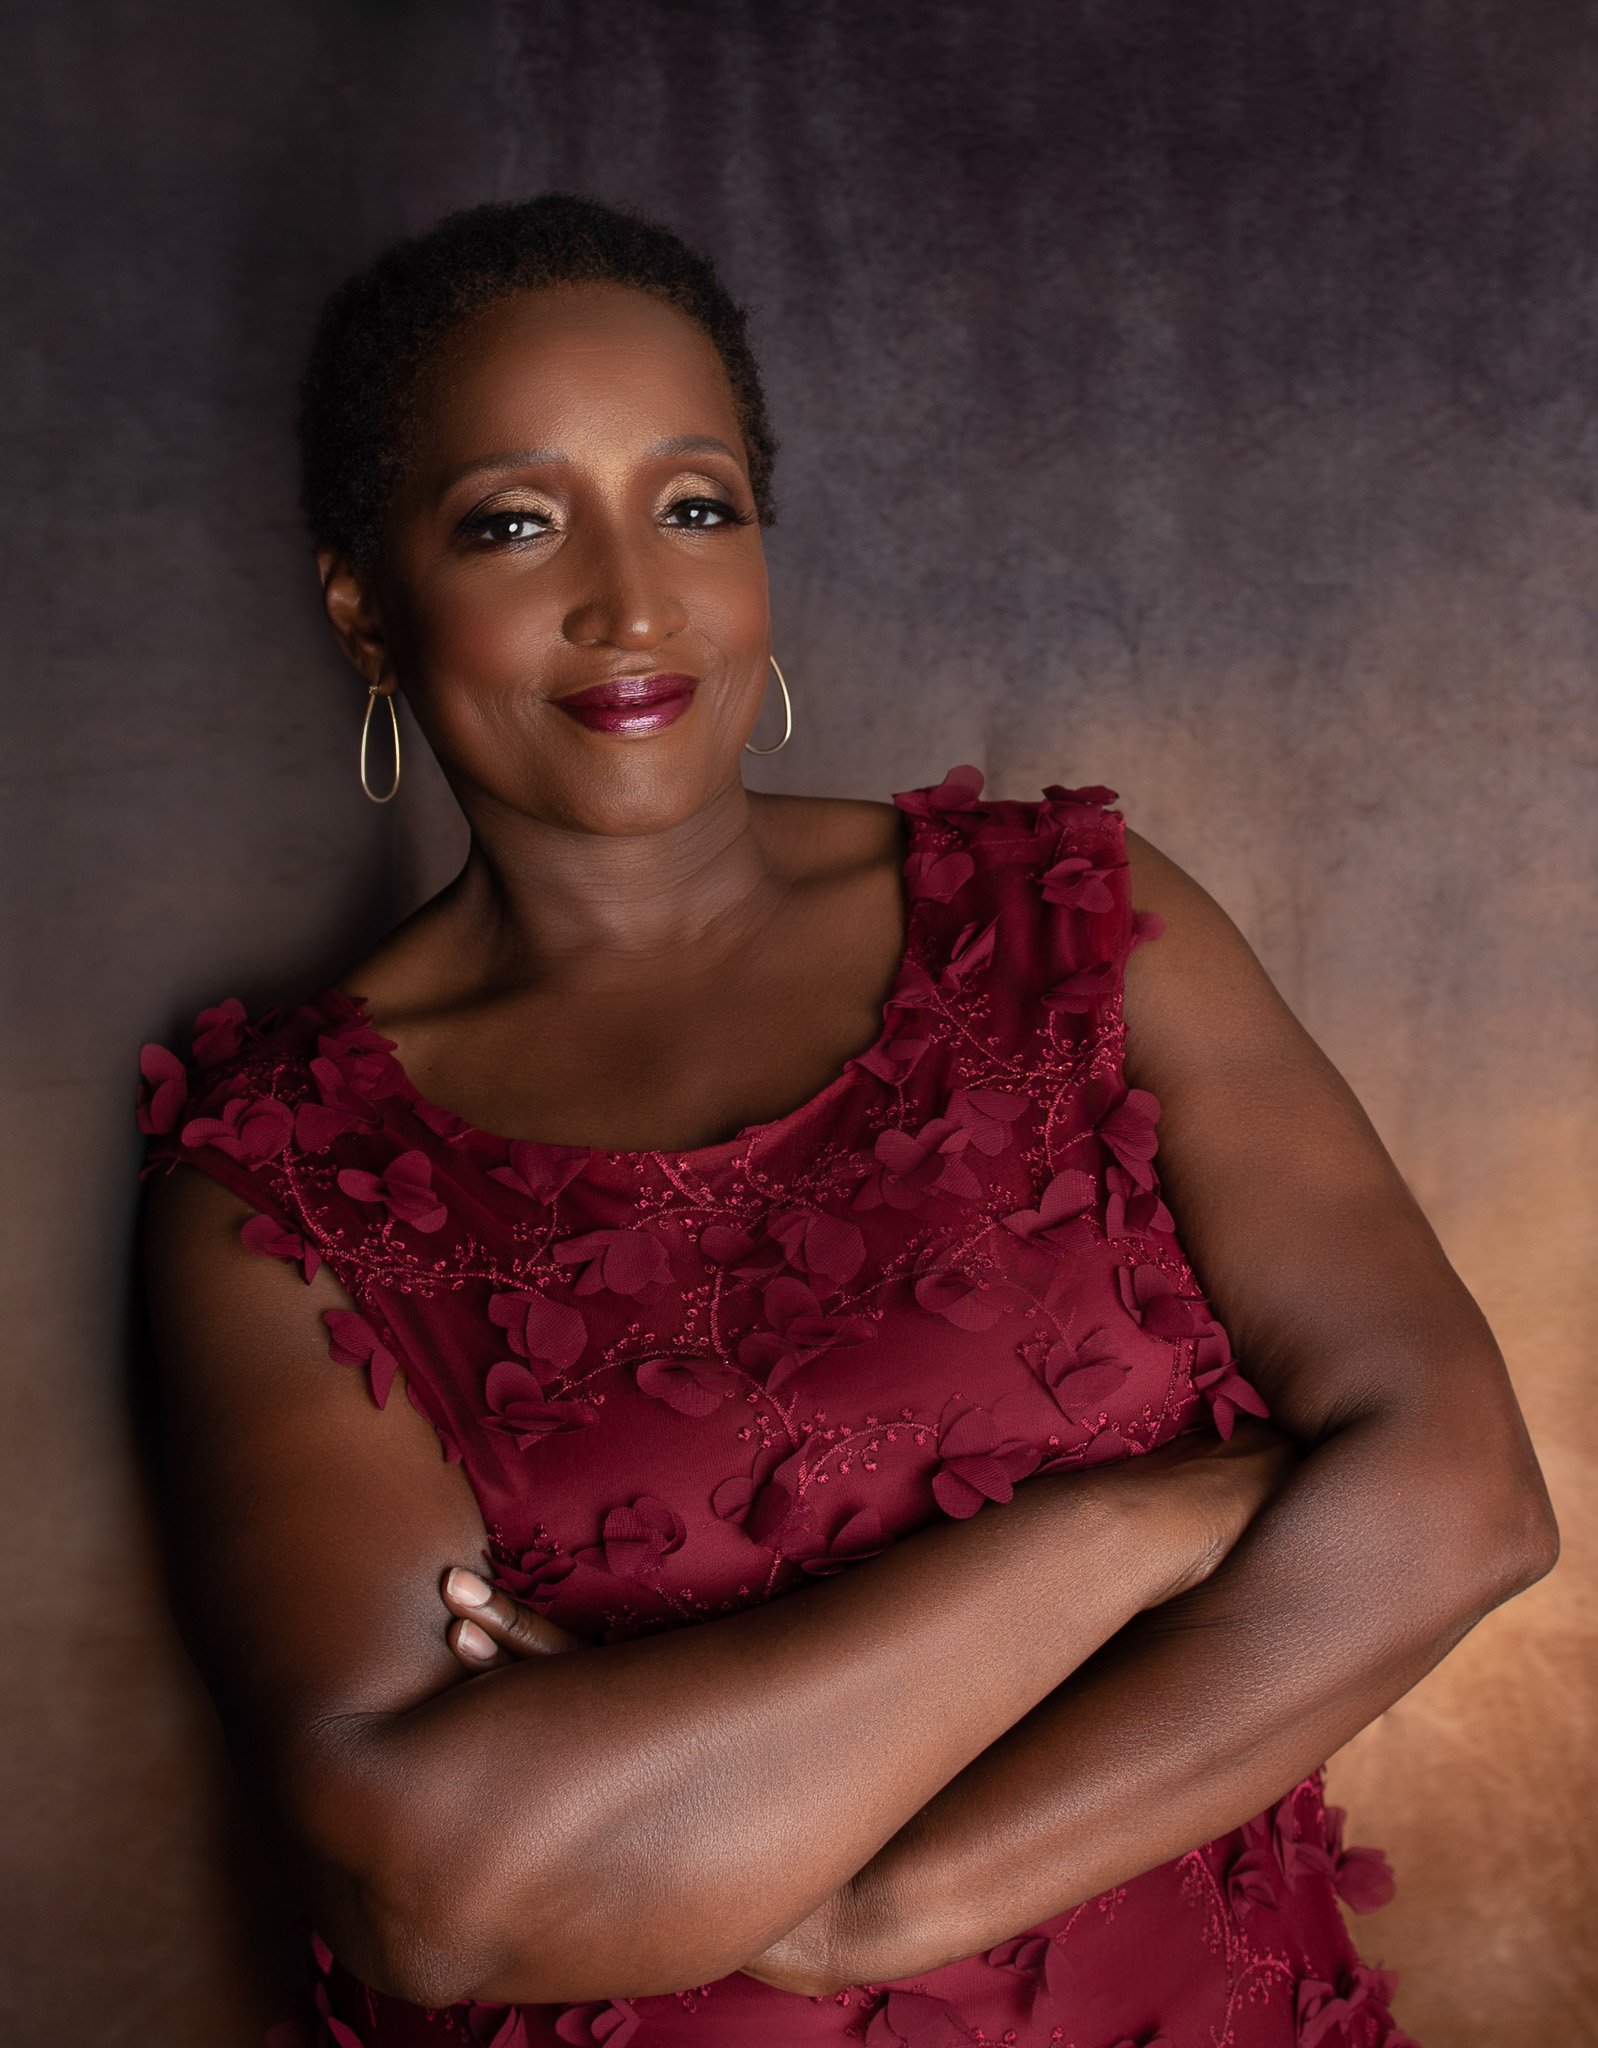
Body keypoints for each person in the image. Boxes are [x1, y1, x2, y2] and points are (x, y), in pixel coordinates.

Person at [137, 193, 1557, 2048]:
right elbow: (438, 1888)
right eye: (513, 521)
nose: (629, 601)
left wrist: (861, 1905)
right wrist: (1135, 1531)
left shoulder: (1070, 929)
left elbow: (1457, 1508)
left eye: (694, 505)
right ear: (366, 606)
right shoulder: (288, 1185)